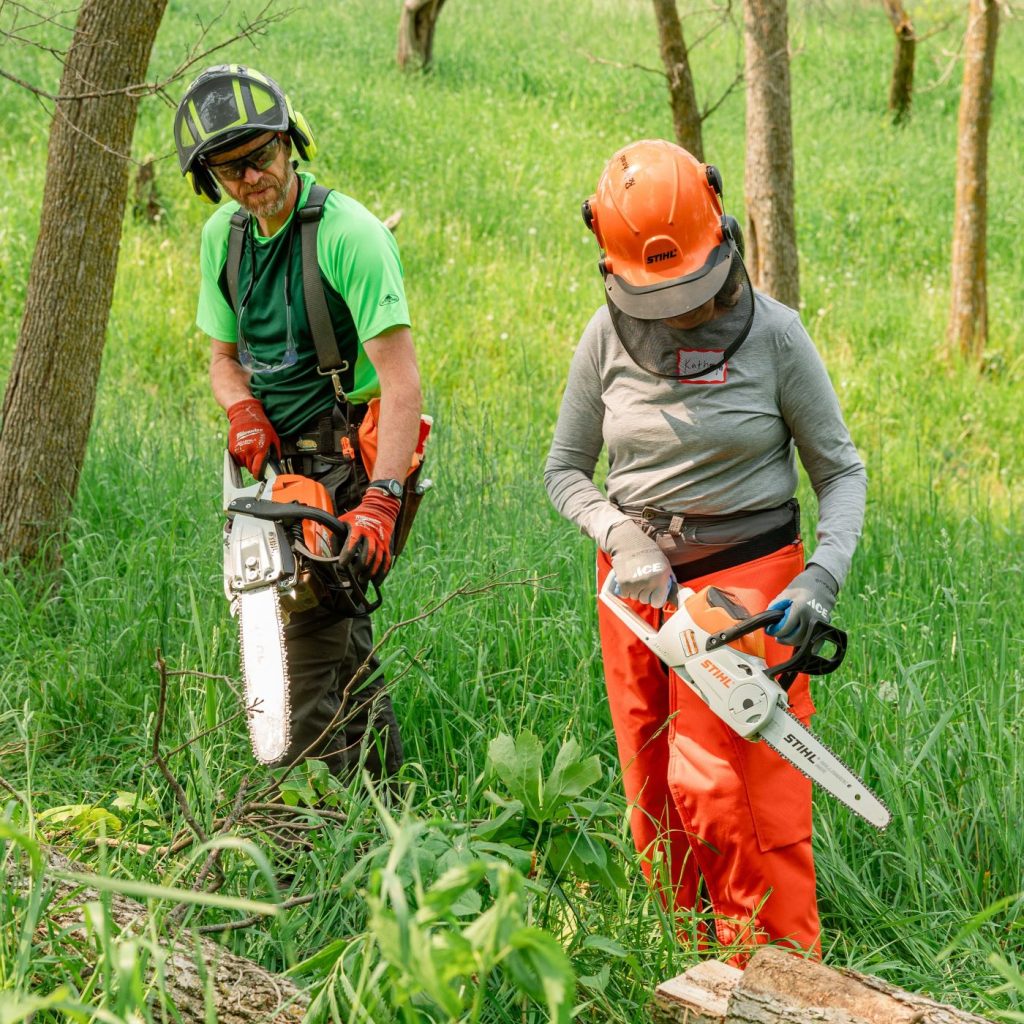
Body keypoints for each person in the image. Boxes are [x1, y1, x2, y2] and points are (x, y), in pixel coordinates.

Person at [544, 139, 866, 961]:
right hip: (636, 585)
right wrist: (616, 533)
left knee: (738, 794)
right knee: (652, 777)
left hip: (747, 577)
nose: (680, 311)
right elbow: (565, 471)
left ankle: (778, 972)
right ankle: (688, 959)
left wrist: (821, 578)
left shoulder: (776, 338)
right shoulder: (603, 338)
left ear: (720, 235)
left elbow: (841, 471)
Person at [173, 65, 423, 779]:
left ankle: (295, 856)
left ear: (290, 142)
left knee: (297, 666)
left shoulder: (350, 236)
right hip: (274, 471)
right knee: (342, 649)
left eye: (262, 155)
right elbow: (224, 360)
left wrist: (382, 498)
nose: (253, 178)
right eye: (231, 169)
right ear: (211, 179)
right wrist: (242, 408)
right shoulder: (225, 238)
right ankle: (386, 814)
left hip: (349, 464)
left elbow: (402, 387)